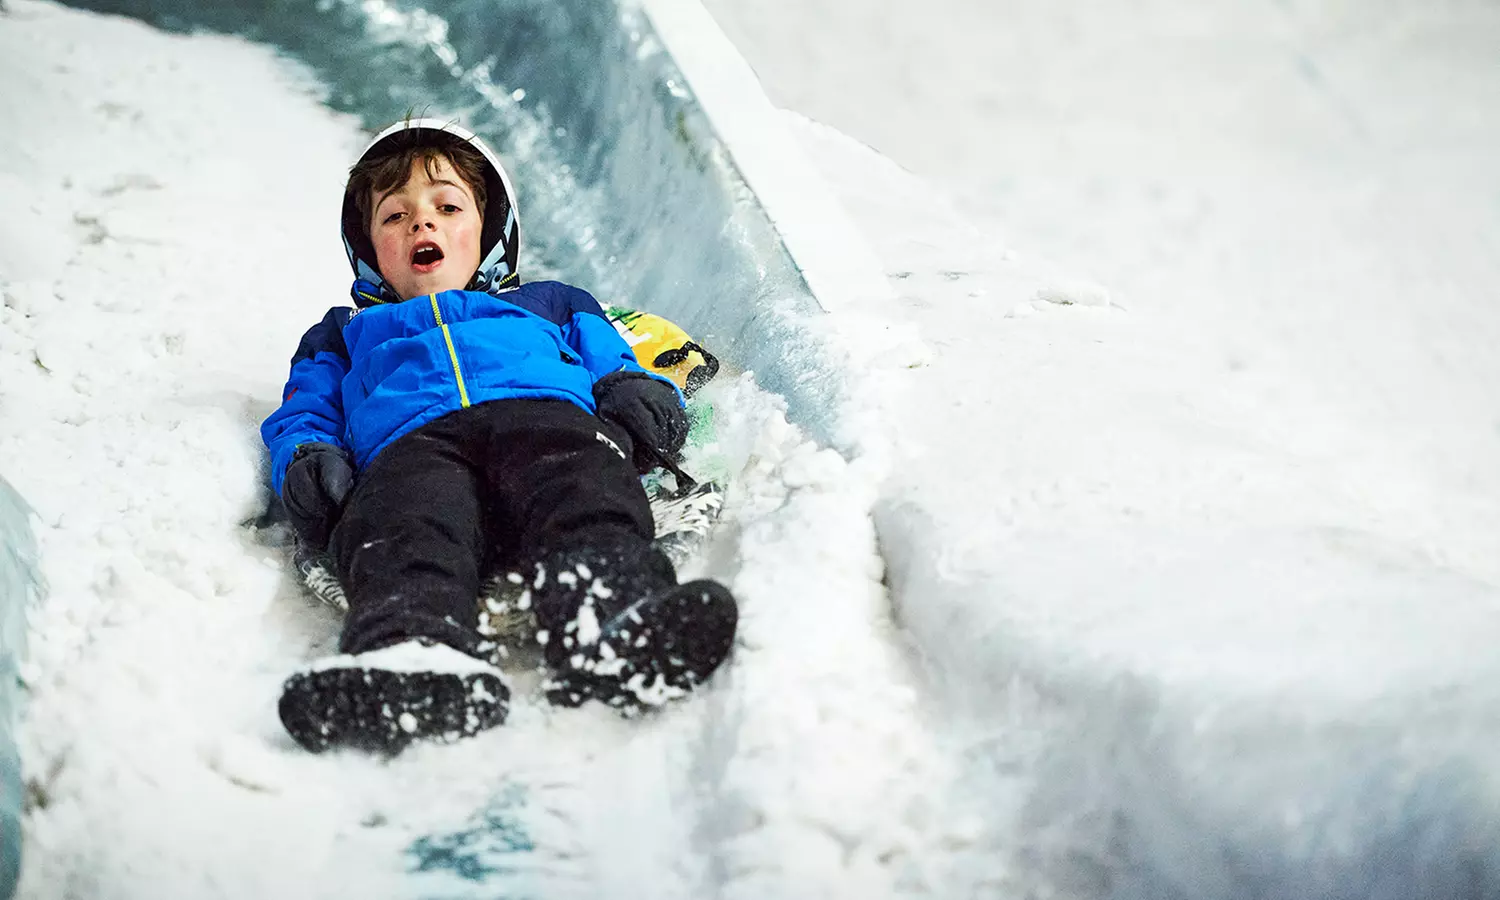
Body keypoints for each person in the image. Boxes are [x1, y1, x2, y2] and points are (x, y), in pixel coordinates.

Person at [262, 117, 738, 754]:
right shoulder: (341, 334)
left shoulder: (548, 301)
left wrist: (628, 387)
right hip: (411, 446)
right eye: (394, 217)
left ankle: (610, 615)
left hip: (543, 418)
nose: (420, 225)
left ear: (488, 234)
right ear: (369, 249)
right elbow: (305, 407)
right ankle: (411, 654)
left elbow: (611, 354)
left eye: (446, 207)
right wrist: (307, 454)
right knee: (397, 524)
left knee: (583, 484)